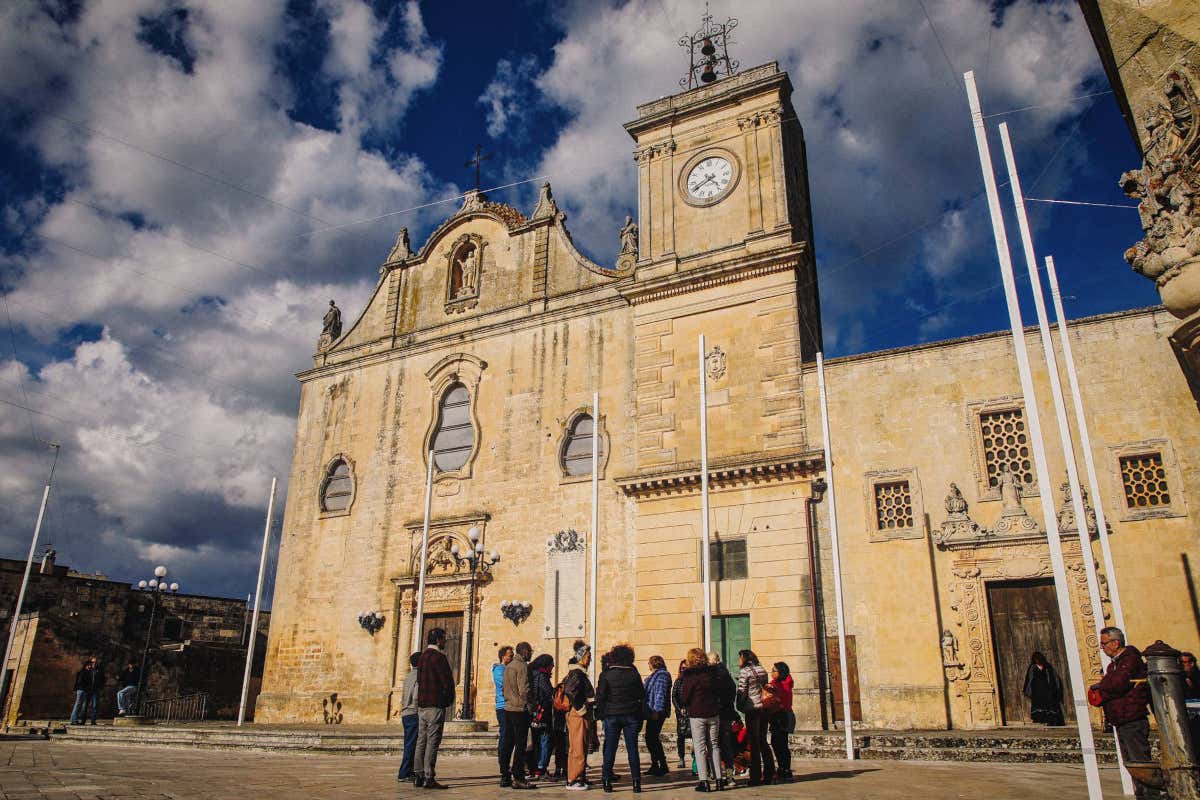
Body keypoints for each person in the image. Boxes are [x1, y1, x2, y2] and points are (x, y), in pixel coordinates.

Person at [1091, 627, 1152, 794]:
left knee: (1140, 764)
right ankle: (1142, 794)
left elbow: (1117, 683)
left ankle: (1149, 795)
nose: (1102, 647)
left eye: (1104, 644)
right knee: (1132, 764)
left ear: (1115, 643)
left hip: (1131, 717)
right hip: (1121, 718)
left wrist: (1101, 686)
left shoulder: (1129, 659)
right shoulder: (1114, 664)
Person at [595, 643, 644, 794]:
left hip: (611, 715)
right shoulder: (634, 674)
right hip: (631, 714)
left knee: (610, 748)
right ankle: (636, 782)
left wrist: (601, 714)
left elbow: (600, 696)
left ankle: (606, 781)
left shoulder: (606, 674)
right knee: (632, 749)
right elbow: (641, 695)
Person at [414, 627, 455, 790]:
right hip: (435, 705)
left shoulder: (422, 657)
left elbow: (419, 680)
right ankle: (429, 776)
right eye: (443, 638)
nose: (445, 641)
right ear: (438, 640)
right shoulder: (439, 657)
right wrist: (448, 699)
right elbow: (446, 681)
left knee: (421, 740)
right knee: (432, 740)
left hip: (422, 705)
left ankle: (418, 774)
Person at [679, 647, 722, 793]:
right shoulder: (713, 673)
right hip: (713, 713)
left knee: (700, 747)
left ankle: (704, 781)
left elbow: (684, 697)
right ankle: (719, 780)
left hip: (697, 713)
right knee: (714, 746)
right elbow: (719, 691)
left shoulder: (690, 675)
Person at [737, 649, 774, 786]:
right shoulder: (762, 669)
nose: (738, 661)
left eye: (740, 657)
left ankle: (755, 776)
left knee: (753, 743)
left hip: (752, 709)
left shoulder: (745, 672)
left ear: (744, 658)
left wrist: (739, 706)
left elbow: (742, 691)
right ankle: (769, 773)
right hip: (764, 708)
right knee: (762, 741)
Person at [501, 641, 535, 789]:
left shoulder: (508, 666)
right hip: (520, 710)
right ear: (525, 651)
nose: (531, 654)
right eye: (530, 651)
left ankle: (505, 775)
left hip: (508, 708)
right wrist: (531, 706)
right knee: (520, 745)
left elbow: (504, 688)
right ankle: (519, 777)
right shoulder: (522, 667)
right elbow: (524, 690)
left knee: (508, 744)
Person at [563, 641, 595, 790]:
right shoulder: (577, 673)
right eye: (588, 656)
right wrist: (581, 709)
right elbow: (570, 692)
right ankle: (573, 779)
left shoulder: (578, 673)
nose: (589, 659)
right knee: (578, 747)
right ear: (581, 657)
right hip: (578, 714)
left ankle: (579, 776)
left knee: (579, 745)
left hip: (578, 714)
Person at [708, 651, 739, 781]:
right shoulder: (726, 674)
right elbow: (732, 692)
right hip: (727, 713)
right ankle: (730, 776)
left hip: (715, 714)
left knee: (713, 745)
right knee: (726, 746)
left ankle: (716, 774)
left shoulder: (712, 674)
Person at [764, 662, 795, 782]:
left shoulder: (783, 685)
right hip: (779, 716)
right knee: (778, 743)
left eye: (774, 671)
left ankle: (785, 769)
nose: (772, 673)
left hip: (782, 716)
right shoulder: (777, 683)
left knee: (780, 744)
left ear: (780, 672)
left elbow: (780, 699)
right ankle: (783, 768)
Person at [642, 655, 671, 777]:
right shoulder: (655, 676)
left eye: (649, 663)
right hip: (652, 711)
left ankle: (662, 765)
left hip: (656, 712)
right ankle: (656, 764)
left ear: (654, 663)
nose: (648, 665)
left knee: (652, 737)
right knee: (651, 738)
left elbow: (660, 694)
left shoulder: (662, 675)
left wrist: (657, 711)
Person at [530, 653, 555, 779]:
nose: (553, 666)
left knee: (536, 741)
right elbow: (549, 692)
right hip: (543, 713)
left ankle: (534, 767)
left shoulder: (533, 674)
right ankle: (541, 768)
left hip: (534, 712)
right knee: (545, 740)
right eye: (551, 664)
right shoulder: (542, 676)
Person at [1023, 652, 1065, 726]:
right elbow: (1029, 679)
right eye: (1036, 659)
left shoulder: (1047, 666)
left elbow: (1054, 677)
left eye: (1038, 659)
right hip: (1037, 691)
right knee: (1039, 705)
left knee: (1050, 705)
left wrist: (1055, 689)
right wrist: (1029, 690)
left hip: (1047, 689)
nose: (1037, 661)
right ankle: (1042, 720)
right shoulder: (1032, 667)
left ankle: (1051, 721)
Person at [397, 653, 421, 782]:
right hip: (413, 713)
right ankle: (404, 773)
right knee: (411, 744)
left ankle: (408, 771)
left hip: (405, 713)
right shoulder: (418, 676)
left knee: (409, 743)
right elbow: (416, 696)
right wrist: (419, 709)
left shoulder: (408, 676)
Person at [493, 646, 513, 778]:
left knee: (510, 737)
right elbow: (505, 684)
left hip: (510, 706)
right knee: (505, 736)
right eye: (510, 655)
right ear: (503, 656)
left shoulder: (509, 669)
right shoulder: (498, 669)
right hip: (502, 706)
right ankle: (503, 765)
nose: (511, 657)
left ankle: (507, 764)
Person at [70, 658, 100, 725]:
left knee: (79, 704)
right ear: (86, 665)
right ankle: (73, 720)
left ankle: (74, 719)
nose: (90, 666)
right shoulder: (83, 672)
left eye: (90, 665)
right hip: (81, 690)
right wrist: (86, 687)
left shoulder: (88, 672)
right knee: (78, 704)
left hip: (85, 690)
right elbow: (80, 682)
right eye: (89, 665)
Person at [672, 659, 691, 769]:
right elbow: (674, 697)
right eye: (682, 668)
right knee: (681, 735)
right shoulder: (678, 681)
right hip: (681, 713)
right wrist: (679, 709)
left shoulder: (692, 680)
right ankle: (681, 758)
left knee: (695, 736)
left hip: (692, 712)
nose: (684, 670)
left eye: (686, 668)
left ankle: (695, 760)